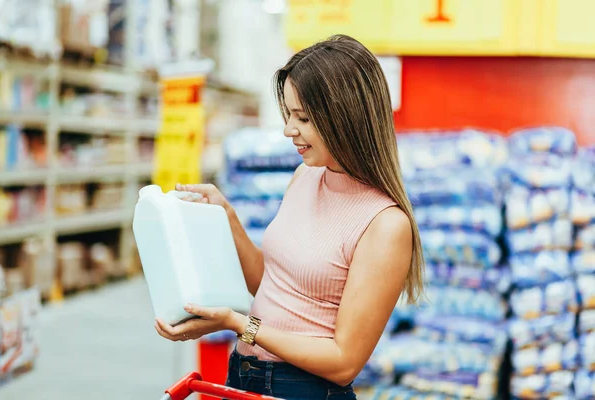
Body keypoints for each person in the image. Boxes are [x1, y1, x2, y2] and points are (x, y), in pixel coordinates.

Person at [154, 34, 425, 399]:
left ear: (346, 117)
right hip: (245, 374)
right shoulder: (305, 177)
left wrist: (239, 324)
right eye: (289, 115)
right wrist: (226, 218)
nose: (288, 130)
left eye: (304, 118)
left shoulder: (385, 225)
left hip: (302, 390)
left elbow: (345, 361)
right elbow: (270, 283)